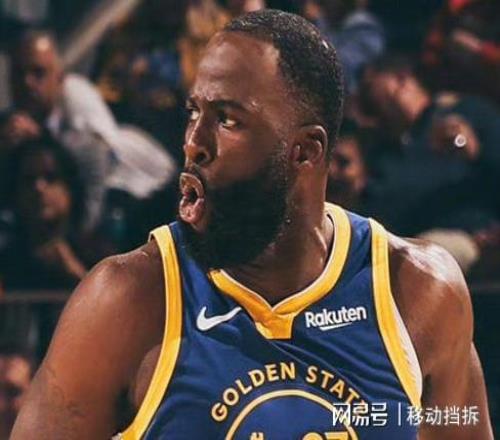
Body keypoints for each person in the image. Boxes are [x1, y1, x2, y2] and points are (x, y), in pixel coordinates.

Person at [12, 10, 492, 439]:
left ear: (305, 151)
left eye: (227, 119)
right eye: (194, 112)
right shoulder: (125, 301)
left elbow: (458, 424)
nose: (194, 142)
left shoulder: (419, 292)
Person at [1, 30, 177, 230]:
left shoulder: (75, 95)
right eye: (18, 74)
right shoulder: (10, 125)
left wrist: (39, 141)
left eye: (38, 73)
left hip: (149, 184)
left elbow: (97, 155)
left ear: (59, 77)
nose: (27, 83)